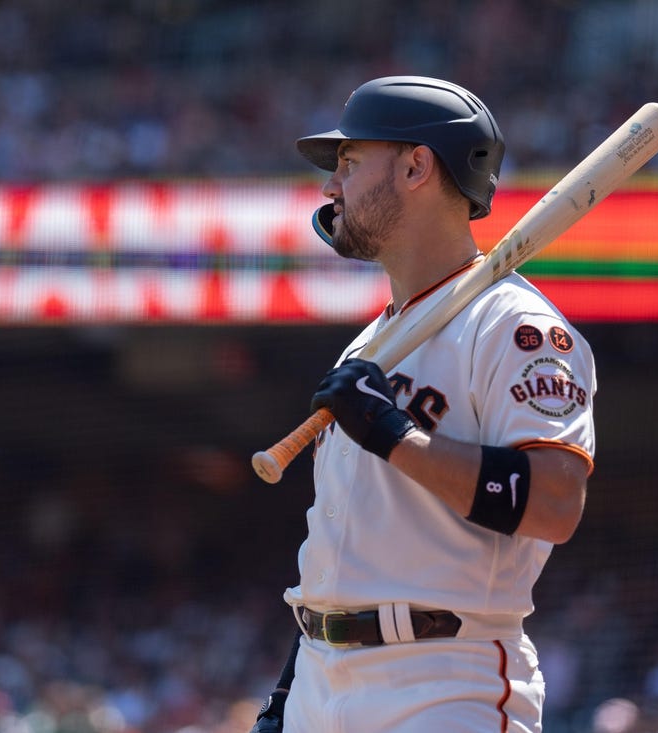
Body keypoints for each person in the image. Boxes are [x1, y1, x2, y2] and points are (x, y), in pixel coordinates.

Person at [251, 76, 596, 733]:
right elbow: (348, 545)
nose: (333, 188)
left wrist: (395, 435)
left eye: (349, 163)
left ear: (416, 166)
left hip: (444, 684)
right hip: (321, 683)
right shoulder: (370, 340)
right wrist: (287, 692)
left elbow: (555, 503)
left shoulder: (516, 327)